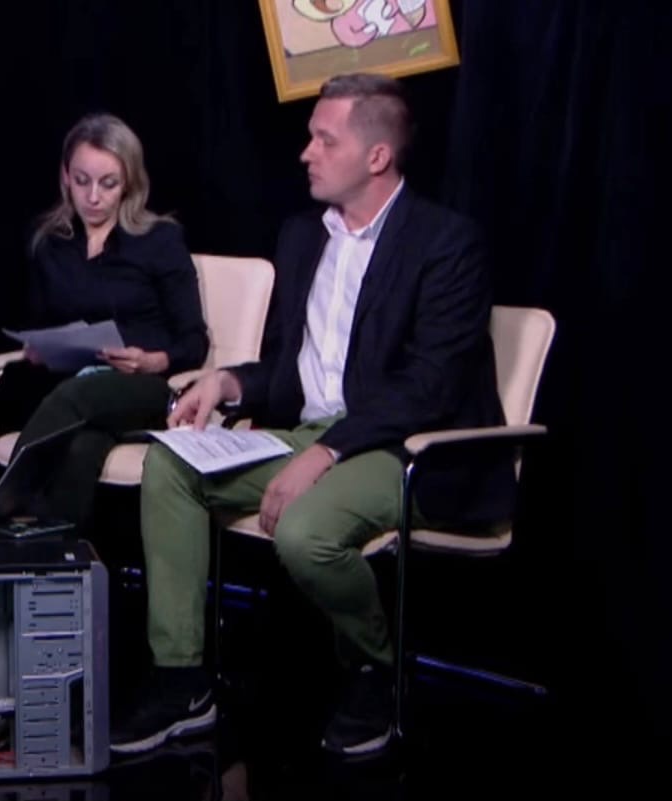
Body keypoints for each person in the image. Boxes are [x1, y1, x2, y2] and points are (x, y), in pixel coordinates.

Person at [109, 74, 515, 757]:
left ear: (377, 156)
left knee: (304, 532)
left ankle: (376, 668)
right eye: (310, 137)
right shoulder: (304, 236)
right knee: (170, 466)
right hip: (312, 433)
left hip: (405, 445)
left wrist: (326, 453)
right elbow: (289, 365)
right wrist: (228, 382)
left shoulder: (447, 242)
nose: (306, 152)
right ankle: (181, 679)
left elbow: (429, 387)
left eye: (325, 140)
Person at [9, 113, 208, 533]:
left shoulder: (159, 240)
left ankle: (3, 509)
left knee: (79, 395)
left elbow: (194, 341)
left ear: (129, 183)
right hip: (73, 389)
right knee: (81, 449)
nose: (93, 197)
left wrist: (152, 360)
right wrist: (40, 349)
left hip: (147, 387)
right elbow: (41, 323)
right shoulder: (50, 243)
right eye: (82, 181)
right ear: (66, 176)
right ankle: (59, 556)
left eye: (108, 183)